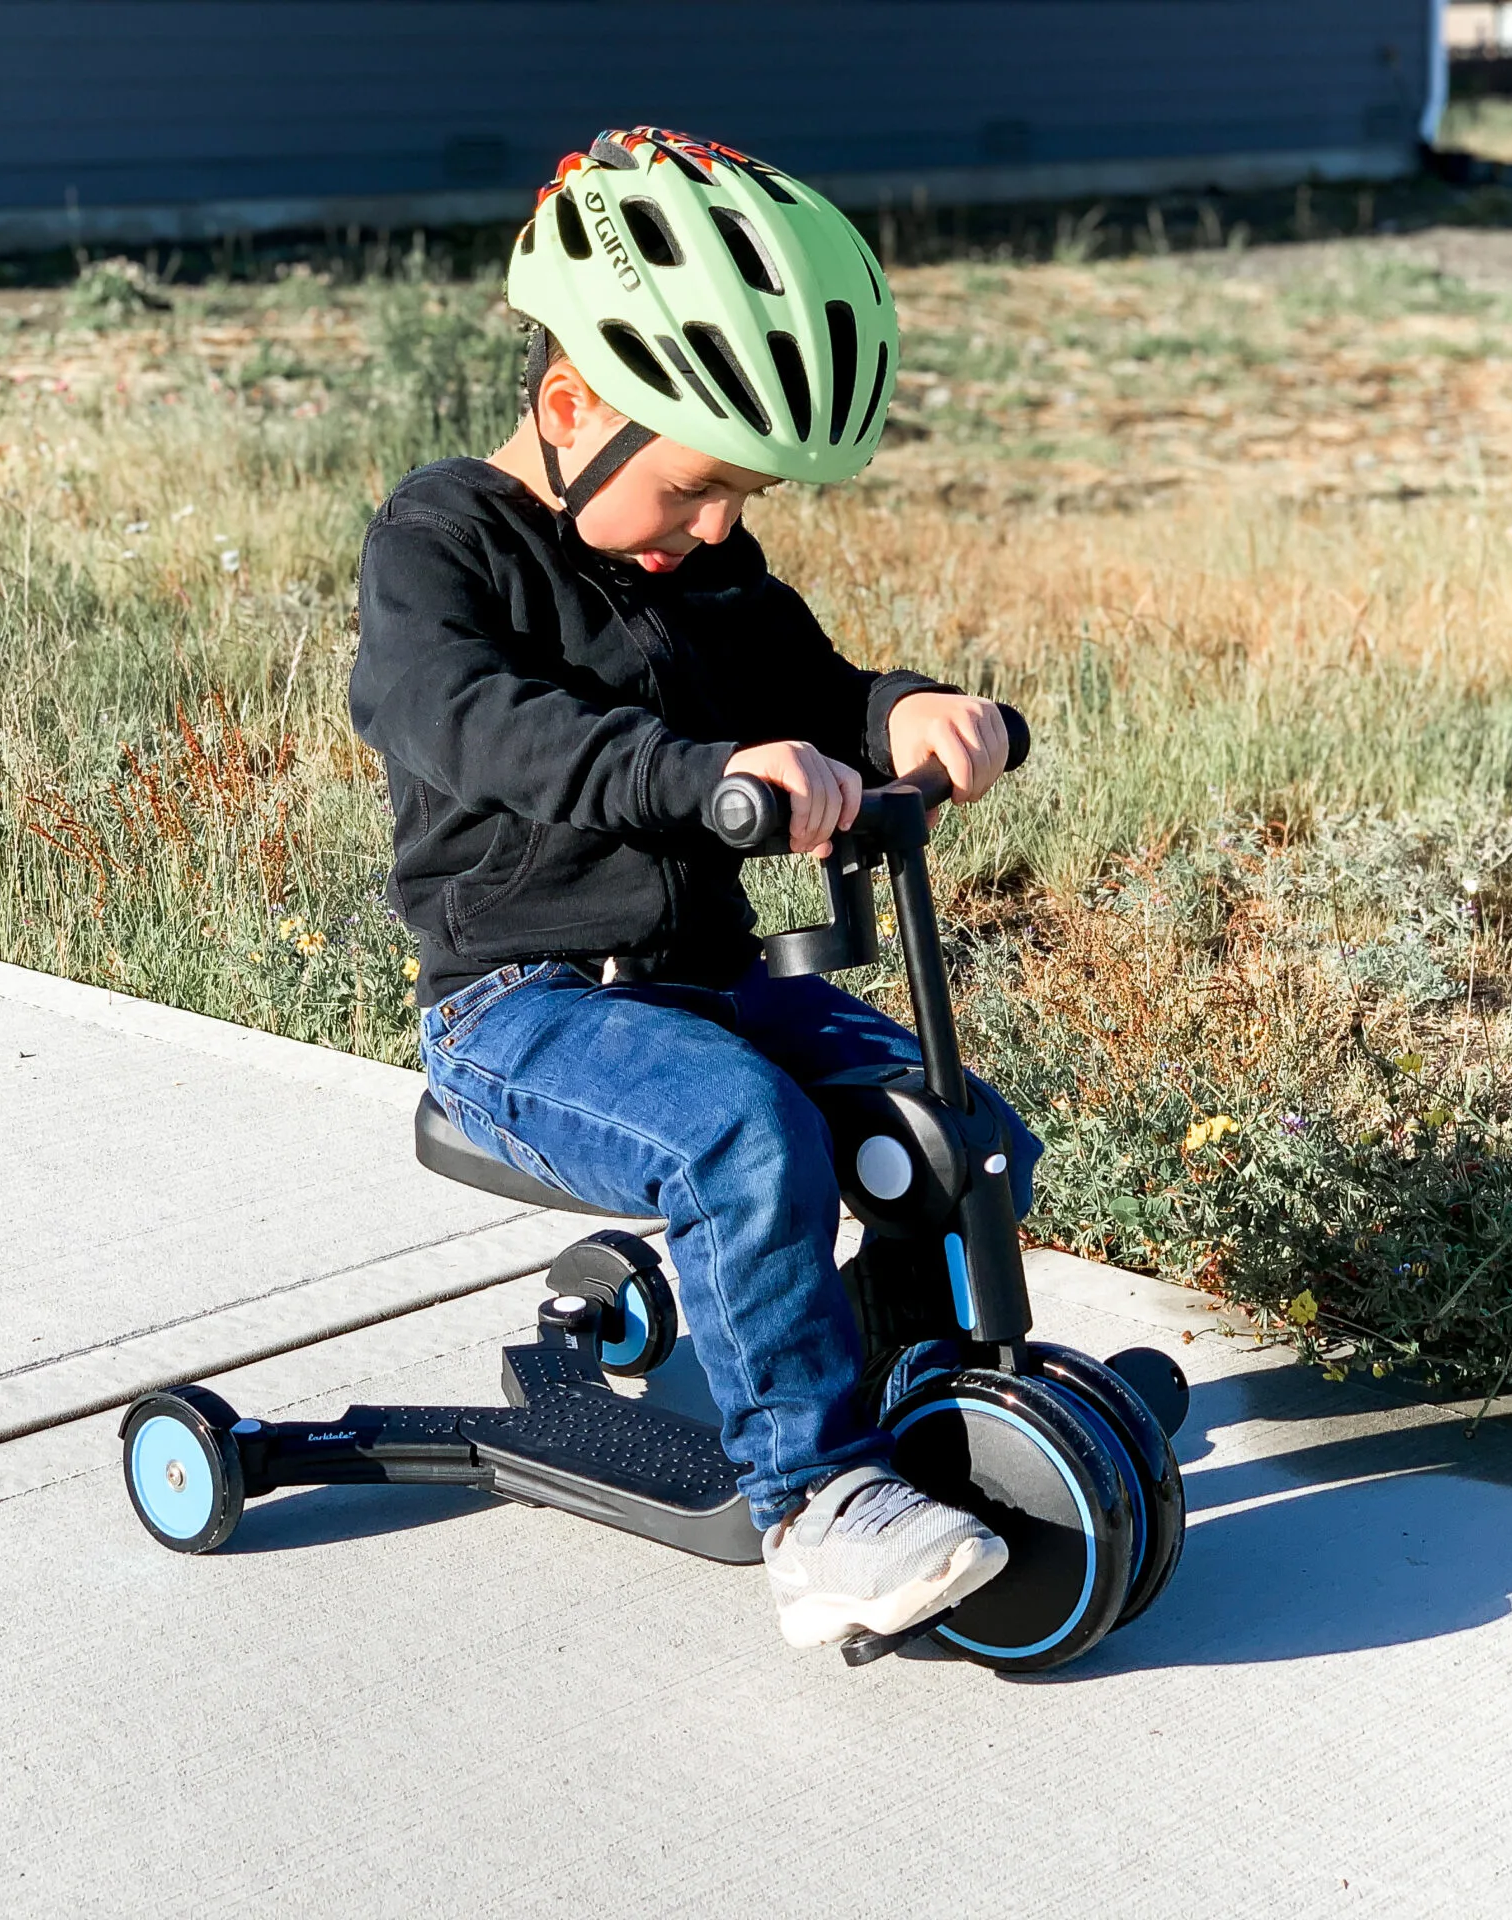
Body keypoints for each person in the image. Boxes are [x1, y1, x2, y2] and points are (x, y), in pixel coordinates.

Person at [350, 127, 1041, 1650]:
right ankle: (818, 1506)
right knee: (750, 1132)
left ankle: (925, 1395)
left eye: (742, 497)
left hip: (709, 987)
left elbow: (821, 688)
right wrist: (696, 773)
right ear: (571, 405)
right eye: (697, 488)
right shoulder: (443, 546)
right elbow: (464, 720)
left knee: (956, 1126)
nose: (720, 526)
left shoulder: (710, 575)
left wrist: (908, 712)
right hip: (523, 1008)